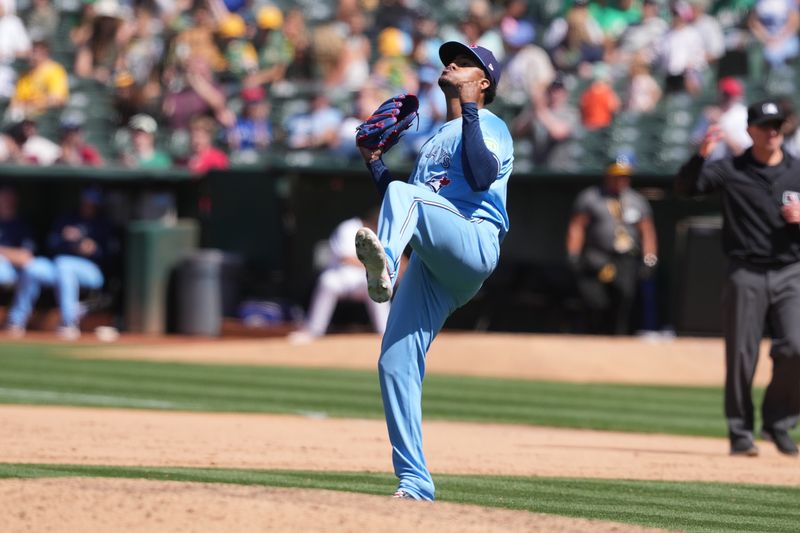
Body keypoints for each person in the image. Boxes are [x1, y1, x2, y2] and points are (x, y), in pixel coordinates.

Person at [354, 41, 513, 500]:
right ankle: (415, 481)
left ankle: (384, 261)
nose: (452, 64)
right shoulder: (432, 142)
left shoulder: (493, 125)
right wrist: (374, 162)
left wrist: (469, 110)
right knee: (394, 361)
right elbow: (406, 203)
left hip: (474, 242)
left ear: (483, 83)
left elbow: (482, 177)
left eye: (464, 62)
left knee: (408, 197)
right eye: (450, 58)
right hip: (433, 262)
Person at [675, 99, 800, 457]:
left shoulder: (797, 169)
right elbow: (686, 189)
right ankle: (741, 433)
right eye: (765, 125)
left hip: (791, 269)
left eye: (778, 124)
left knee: (796, 346)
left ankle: (778, 423)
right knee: (742, 355)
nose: (773, 131)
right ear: (750, 131)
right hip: (746, 270)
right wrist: (700, 156)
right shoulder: (732, 169)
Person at [6, 186, 117, 339]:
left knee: (64, 265)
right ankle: (16, 322)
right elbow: (51, 244)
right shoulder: (68, 218)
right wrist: (67, 241)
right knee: (32, 267)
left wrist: (92, 248)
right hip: (58, 265)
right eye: (87, 200)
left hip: (91, 271)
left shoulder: (103, 223)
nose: (89, 204)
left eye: (93, 201)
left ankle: (68, 322)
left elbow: (111, 255)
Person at [566, 156, 658, 336]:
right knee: (596, 301)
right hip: (597, 256)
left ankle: (618, 338)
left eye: (624, 176)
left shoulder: (637, 200)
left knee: (624, 299)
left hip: (626, 259)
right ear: (607, 176)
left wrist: (650, 258)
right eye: (616, 176)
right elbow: (577, 226)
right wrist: (573, 253)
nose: (621, 180)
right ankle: (593, 335)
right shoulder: (591, 197)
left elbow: (647, 231)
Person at [288, 208, 390, 344]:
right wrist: (376, 265)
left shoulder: (381, 233)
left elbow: (393, 260)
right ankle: (313, 331)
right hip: (342, 275)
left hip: (364, 278)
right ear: (372, 222)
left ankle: (386, 332)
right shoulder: (349, 227)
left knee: (379, 282)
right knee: (328, 282)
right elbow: (346, 258)